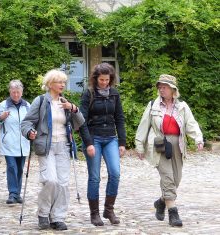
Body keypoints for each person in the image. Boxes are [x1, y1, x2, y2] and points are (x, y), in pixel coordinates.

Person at [135, 74, 204, 227]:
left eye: (164, 87)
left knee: (176, 179)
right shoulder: (153, 105)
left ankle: (161, 202)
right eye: (160, 87)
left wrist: (198, 138)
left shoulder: (182, 106)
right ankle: (173, 213)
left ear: (173, 89)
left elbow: (191, 124)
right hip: (160, 145)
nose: (161, 89)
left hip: (177, 145)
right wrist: (139, 145)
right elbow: (143, 125)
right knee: (168, 178)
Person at [21, 69, 85, 231]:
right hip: (46, 146)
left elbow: (79, 123)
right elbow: (26, 122)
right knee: (51, 180)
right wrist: (30, 132)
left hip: (63, 146)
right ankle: (43, 213)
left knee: (63, 183)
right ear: (50, 84)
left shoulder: (65, 102)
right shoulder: (41, 101)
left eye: (64, 82)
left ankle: (58, 217)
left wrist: (73, 108)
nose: (62, 84)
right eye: (59, 82)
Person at [79, 63, 126, 227]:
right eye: (101, 79)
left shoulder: (114, 94)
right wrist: (88, 143)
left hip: (111, 138)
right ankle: (95, 214)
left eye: (107, 80)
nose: (104, 83)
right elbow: (81, 120)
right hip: (94, 138)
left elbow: (119, 118)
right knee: (95, 177)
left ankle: (109, 209)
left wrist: (122, 142)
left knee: (115, 173)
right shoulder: (88, 94)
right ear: (95, 78)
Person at [0, 80, 30, 204]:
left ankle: (17, 193)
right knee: (12, 167)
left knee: (19, 168)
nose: (15, 95)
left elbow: (31, 121)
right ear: (10, 92)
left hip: (23, 142)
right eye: (13, 92)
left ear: (21, 92)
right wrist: (1, 117)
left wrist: (32, 131)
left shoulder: (27, 106)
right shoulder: (4, 104)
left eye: (18, 92)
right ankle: (12, 193)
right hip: (8, 142)